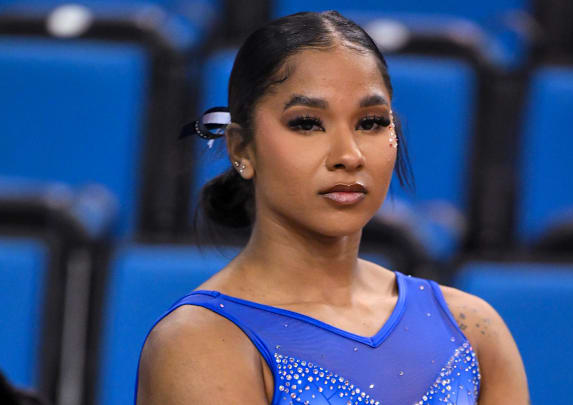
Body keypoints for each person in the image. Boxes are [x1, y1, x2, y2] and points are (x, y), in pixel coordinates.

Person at [136, 10, 528, 405]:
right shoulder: (199, 340)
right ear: (241, 148)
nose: (348, 155)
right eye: (307, 123)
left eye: (371, 122)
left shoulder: (472, 329)